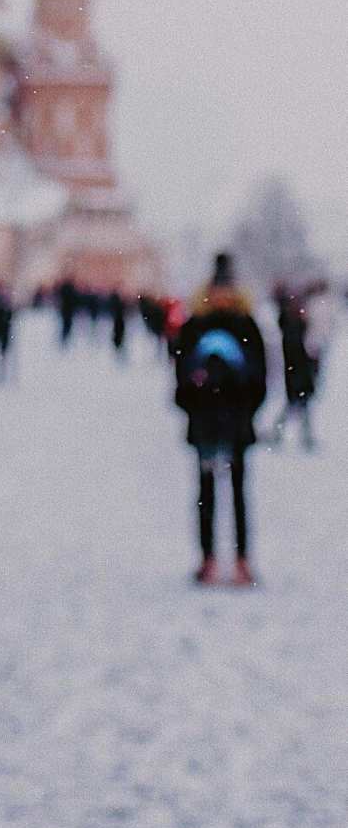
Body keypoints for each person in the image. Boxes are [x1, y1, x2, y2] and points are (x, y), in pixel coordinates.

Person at [174, 251, 266, 587]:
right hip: (209, 421)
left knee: (237, 492)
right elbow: (180, 375)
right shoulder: (199, 325)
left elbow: (261, 376)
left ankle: (241, 559)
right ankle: (208, 557)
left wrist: (241, 401)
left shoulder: (239, 325)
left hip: (233, 419)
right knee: (207, 492)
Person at [272, 292, 319, 449]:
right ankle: (298, 436)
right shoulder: (293, 331)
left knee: (297, 409)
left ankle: (282, 433)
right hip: (297, 375)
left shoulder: (298, 329)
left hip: (298, 375)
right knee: (297, 408)